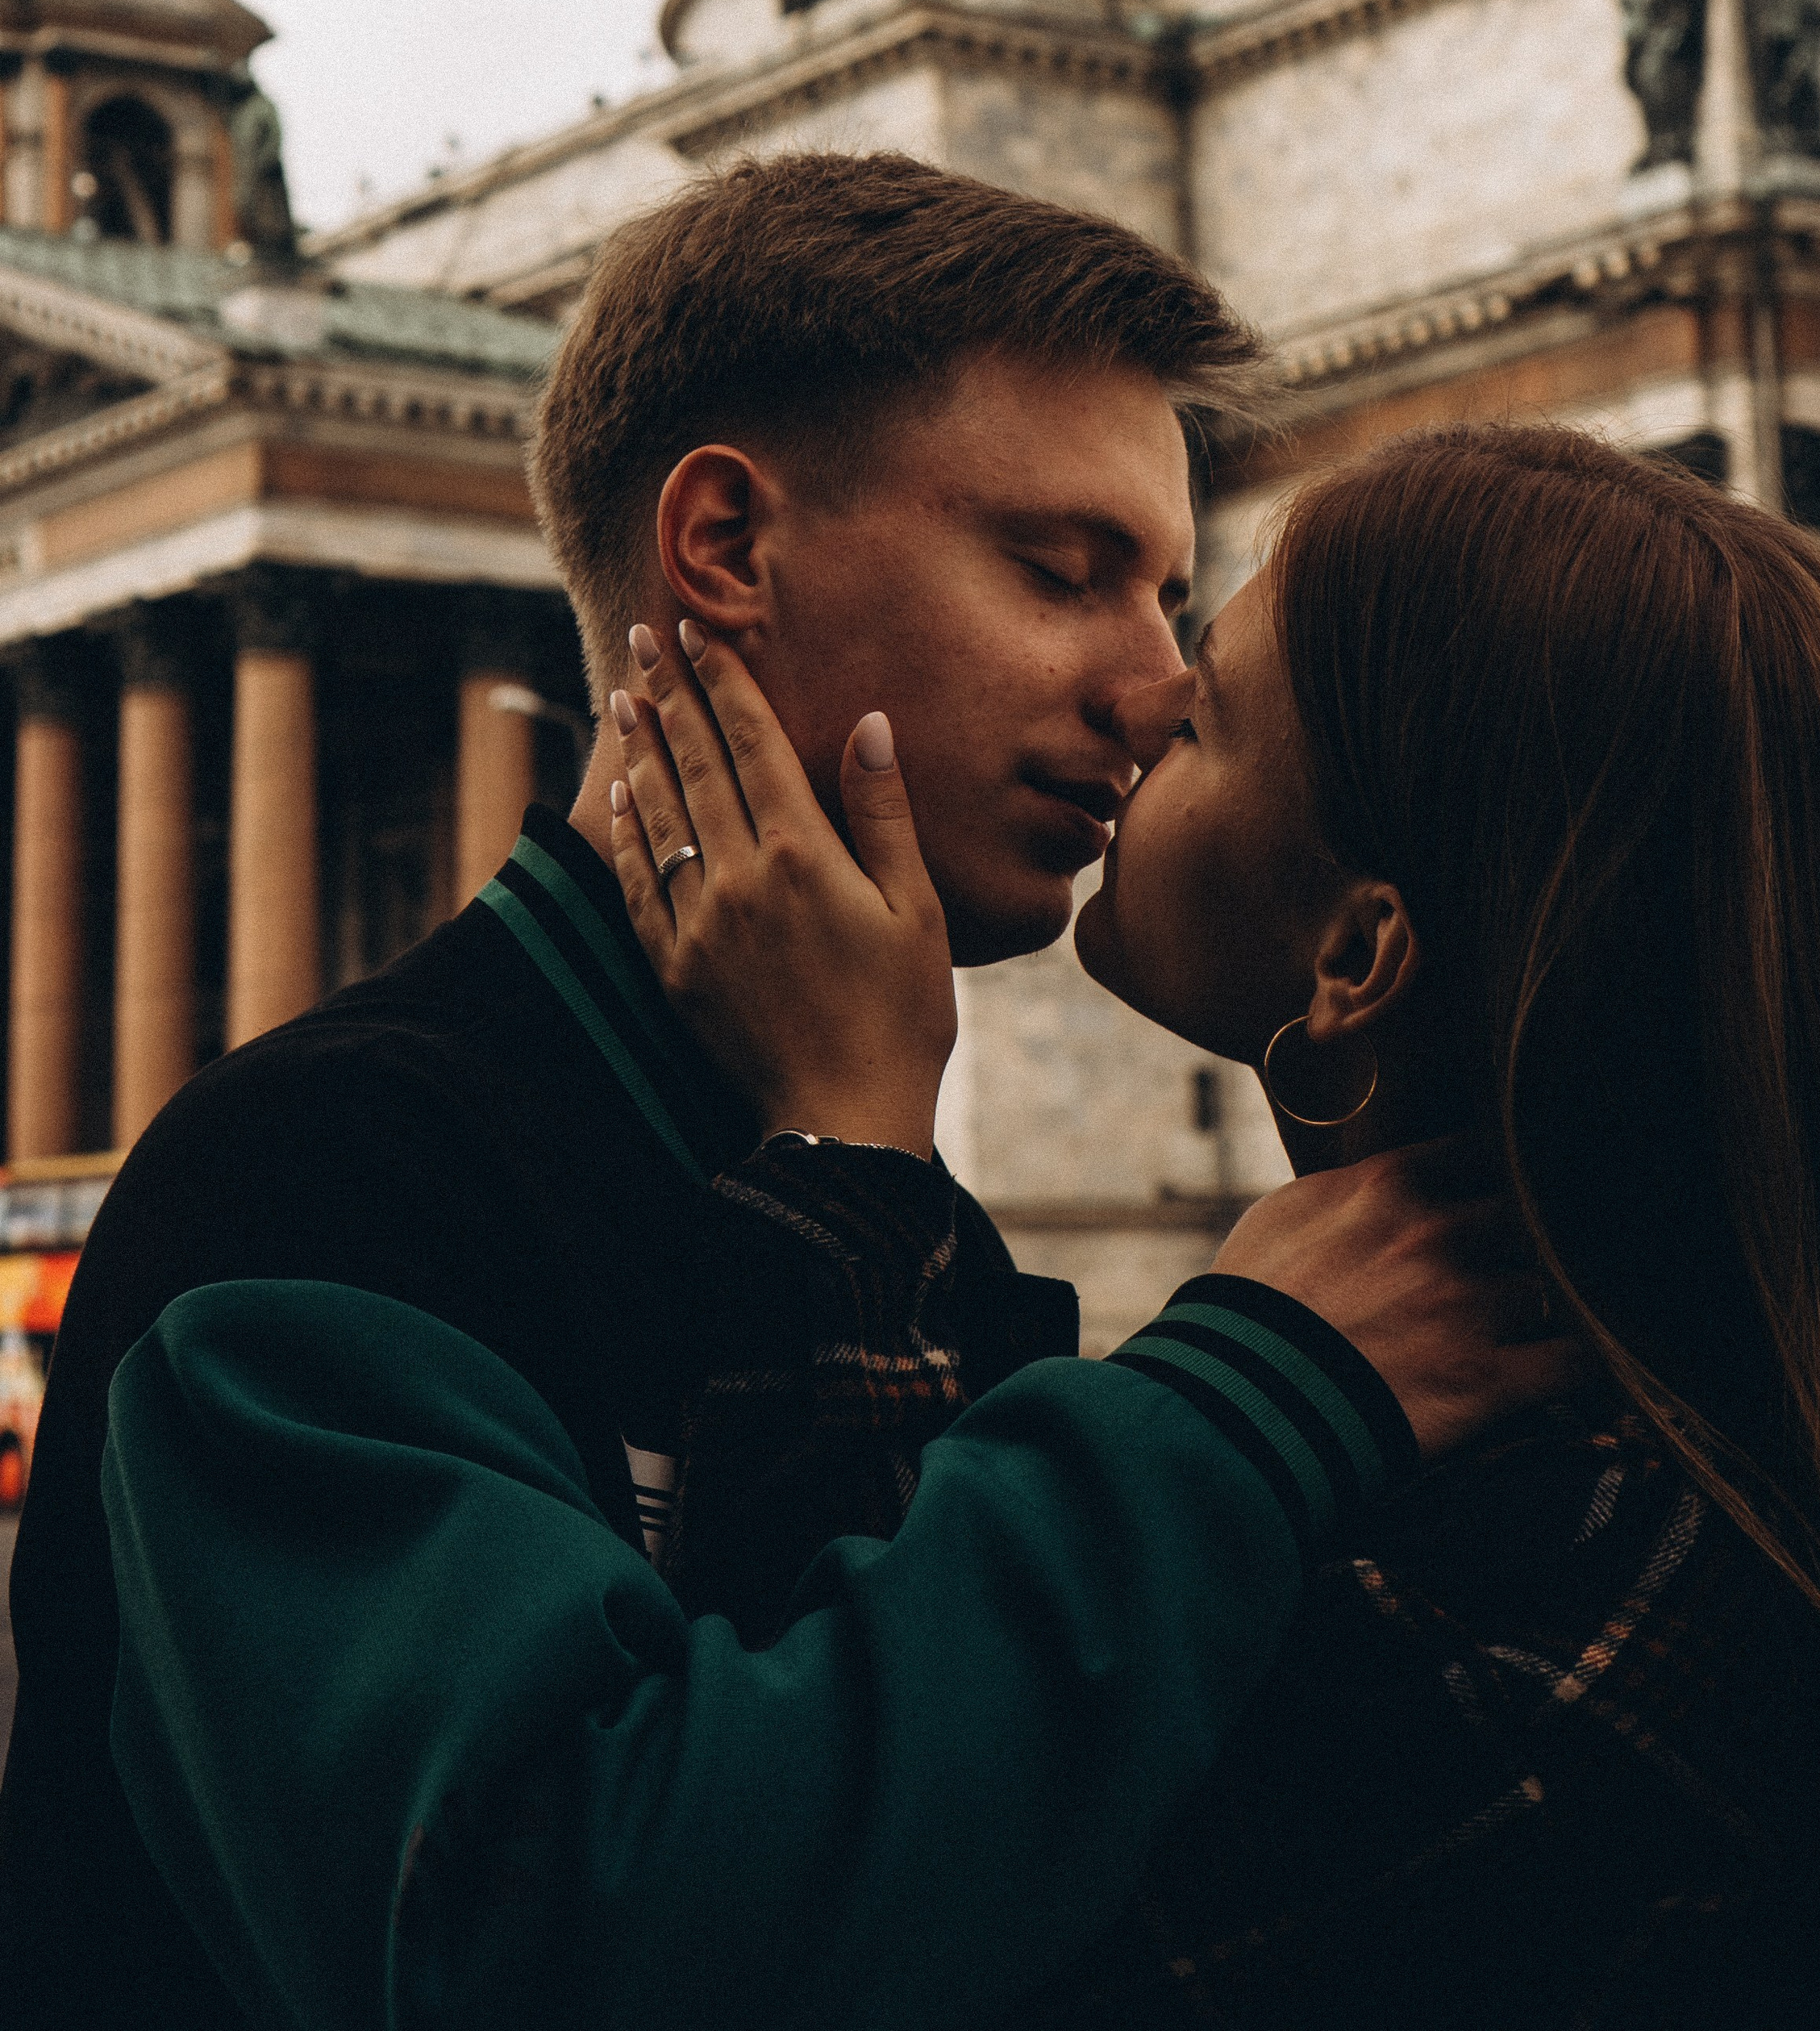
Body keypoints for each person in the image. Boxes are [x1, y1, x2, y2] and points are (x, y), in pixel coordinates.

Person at [0, 154, 1567, 2029]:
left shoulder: (881, 1199)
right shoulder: (322, 1186)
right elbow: (551, 1946)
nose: (1158, 687)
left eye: (1168, 592)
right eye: (1060, 573)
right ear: (726, 550)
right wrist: (1238, 1408)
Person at [605, 416, 1820, 2029]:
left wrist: (847, 1150)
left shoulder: (1525, 1618)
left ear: (1356, 959)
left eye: (1214, 707)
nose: (1144, 693)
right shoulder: (1622, 1458)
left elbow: (813, 1900)